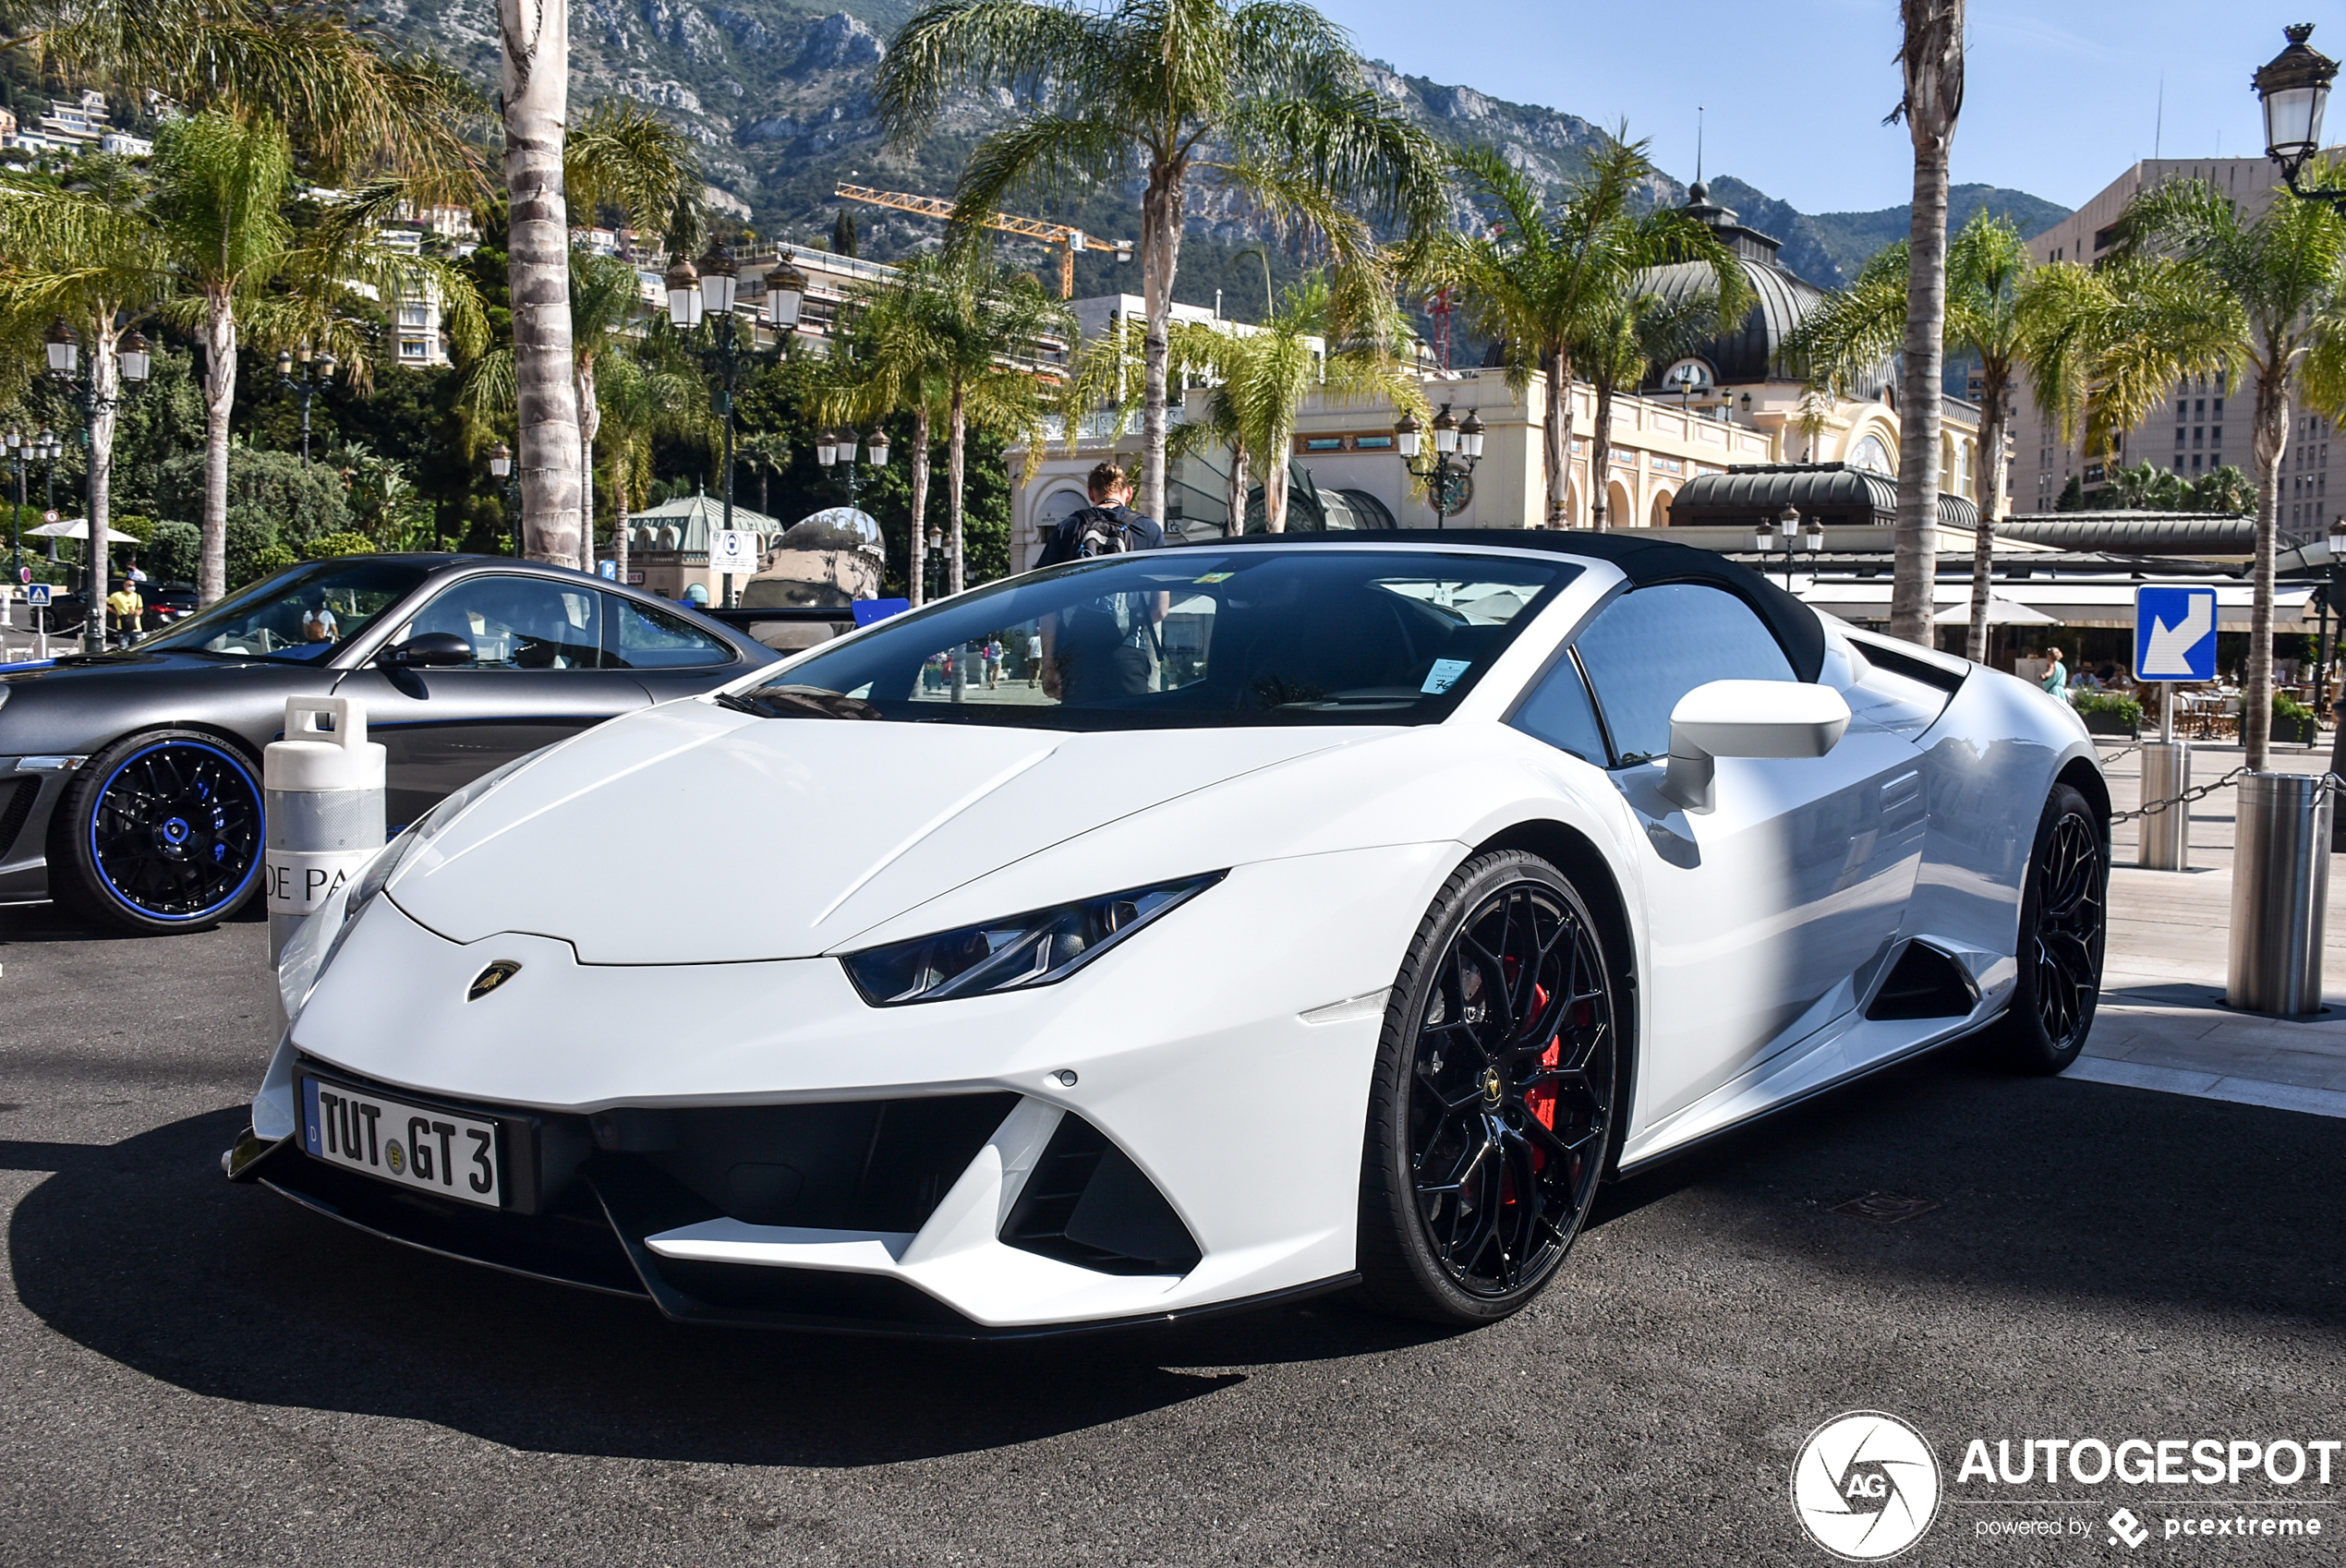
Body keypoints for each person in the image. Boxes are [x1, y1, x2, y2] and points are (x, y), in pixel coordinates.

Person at [1036, 462, 1167, 701]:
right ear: (1129, 492)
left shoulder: (1069, 528)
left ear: (1090, 493)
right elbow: (1160, 609)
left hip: (1076, 655)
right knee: (1128, 732)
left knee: (1078, 730)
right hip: (1128, 653)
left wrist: (1048, 664)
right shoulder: (1148, 530)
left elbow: (1047, 606)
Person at [103, 575, 142, 646]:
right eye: (130, 585)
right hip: (122, 625)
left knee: (138, 647)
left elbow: (141, 608)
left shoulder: (137, 596)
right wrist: (115, 612)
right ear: (125, 586)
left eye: (133, 585)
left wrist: (138, 613)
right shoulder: (116, 595)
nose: (132, 587)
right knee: (123, 646)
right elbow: (105, 604)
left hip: (136, 626)